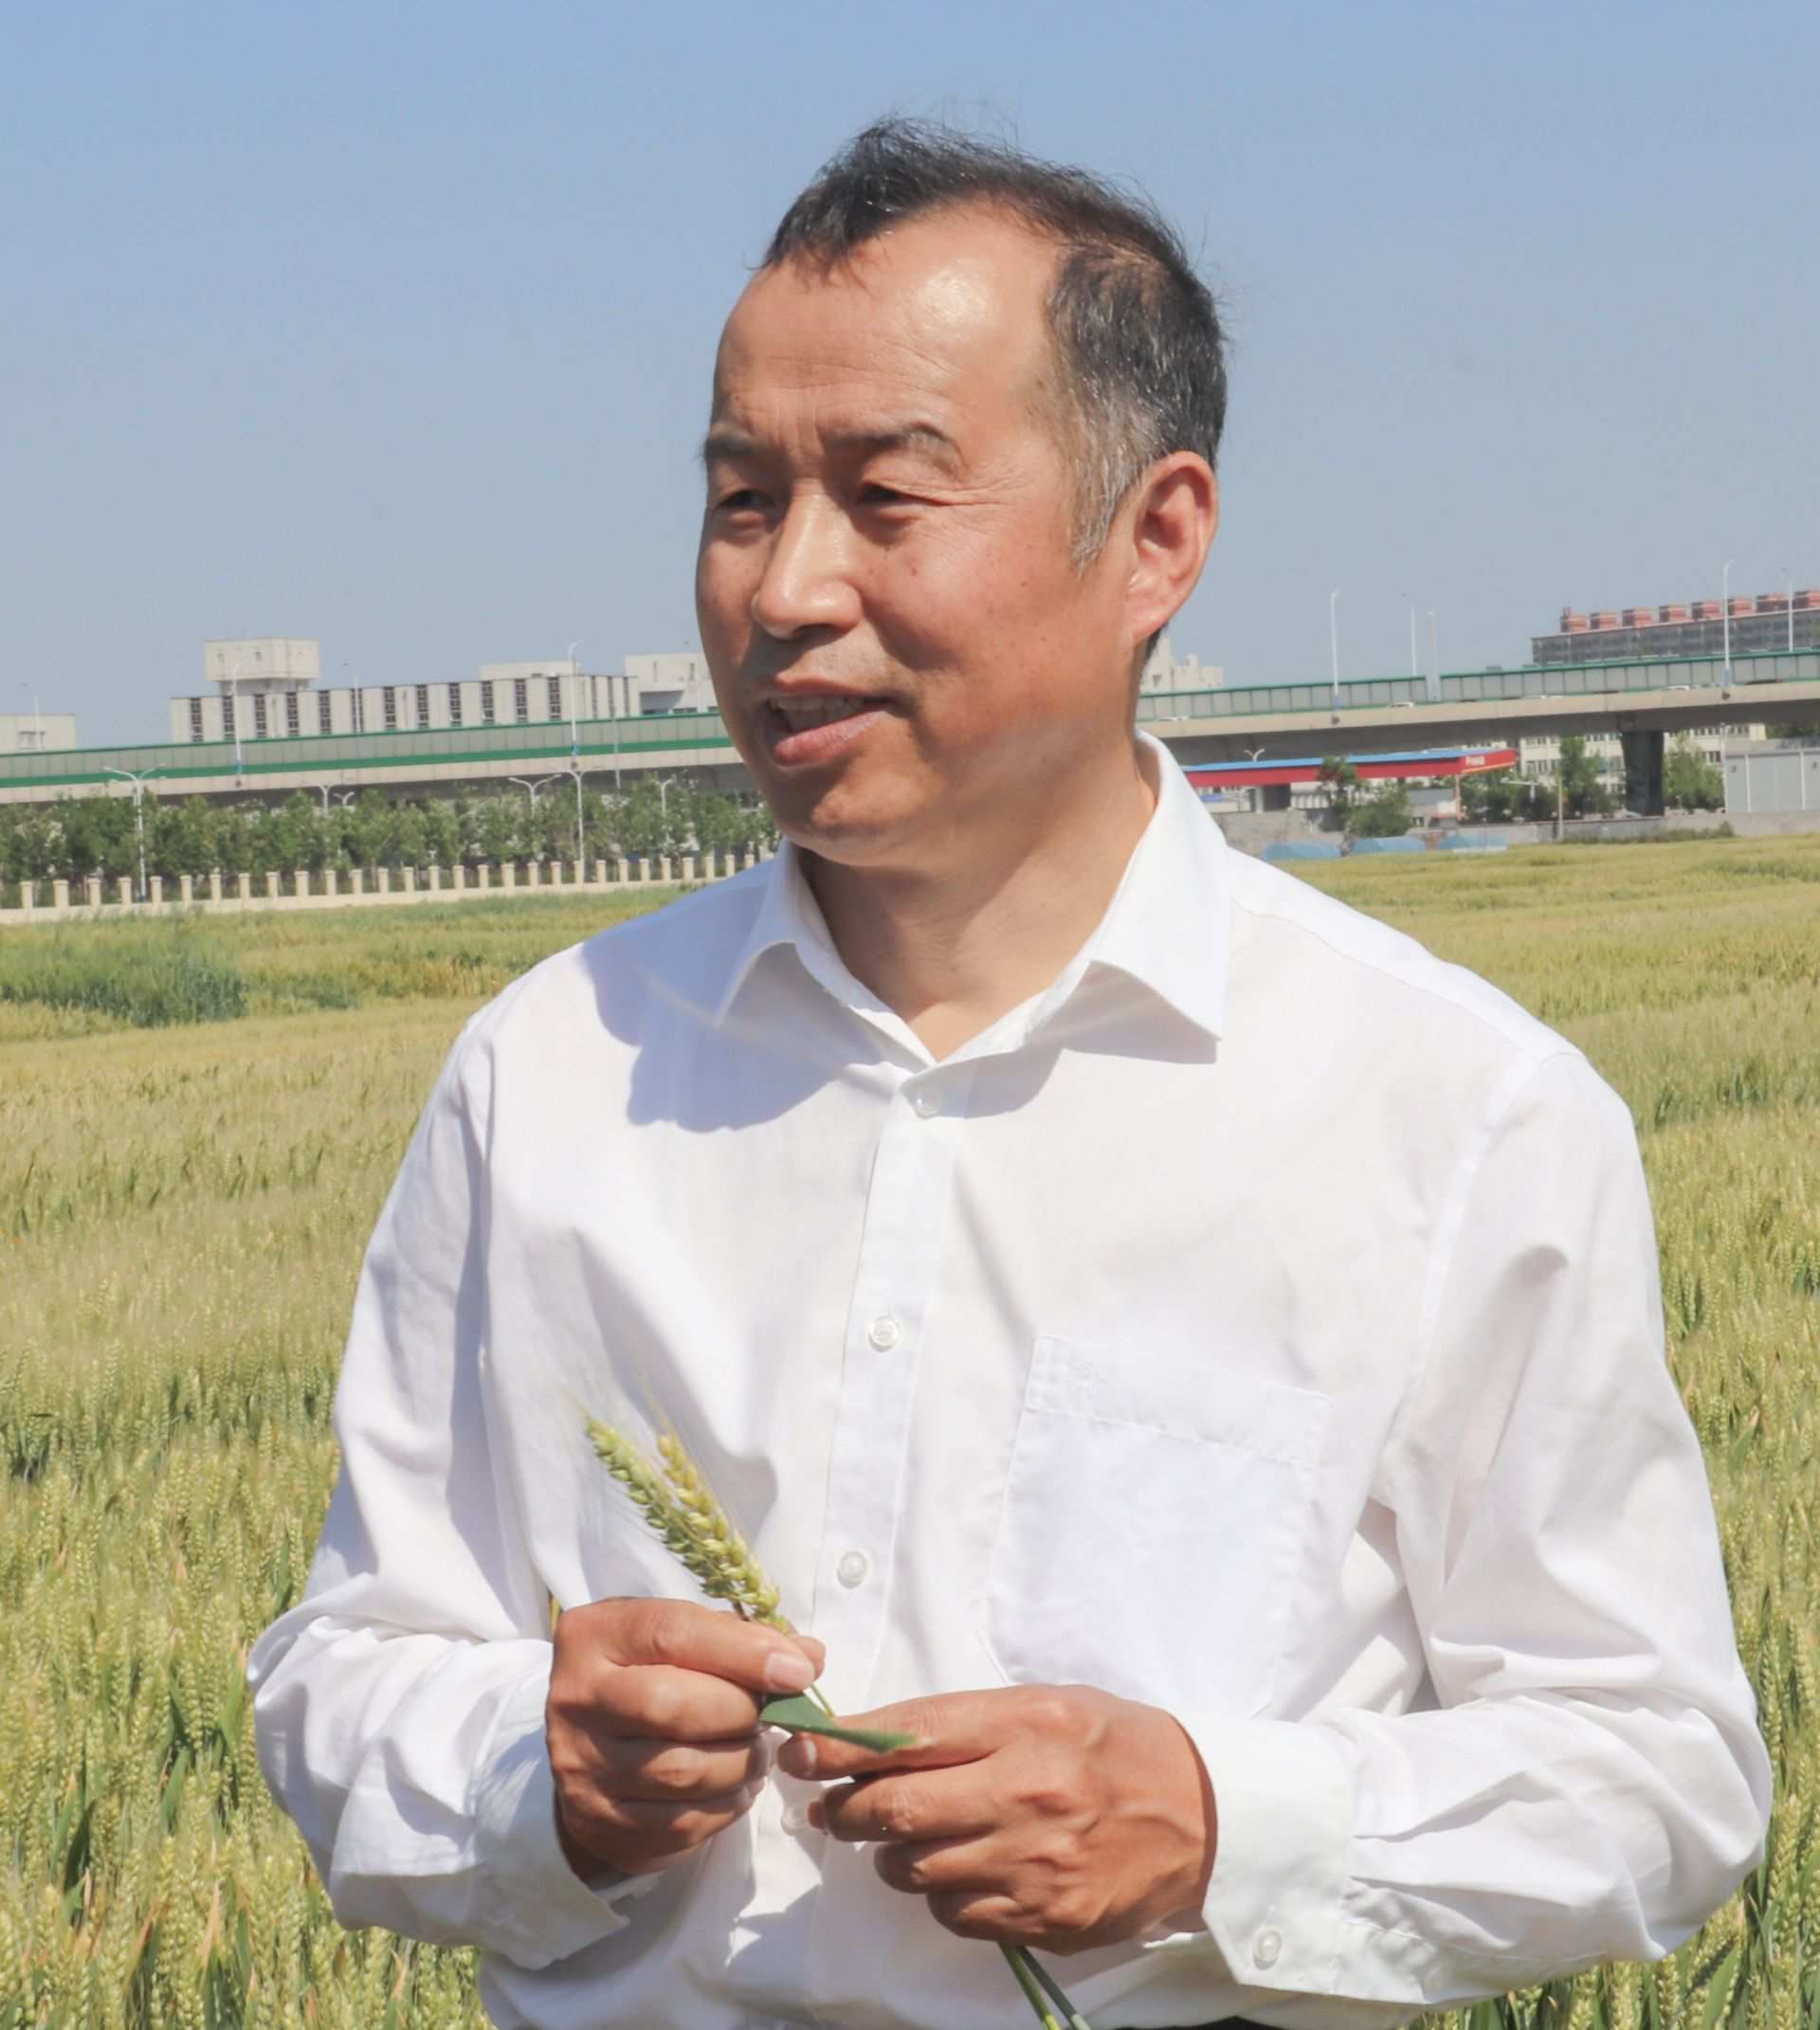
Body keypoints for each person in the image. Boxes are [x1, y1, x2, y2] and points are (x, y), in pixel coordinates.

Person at [250, 120, 1771, 2030]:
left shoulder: (1455, 1113)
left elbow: (1656, 1773)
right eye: (741, 500)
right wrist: (533, 1772)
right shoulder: (549, 1070)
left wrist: (1218, 1823)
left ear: (1157, 539)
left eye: (887, 497)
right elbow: (344, 1672)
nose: (787, 588)